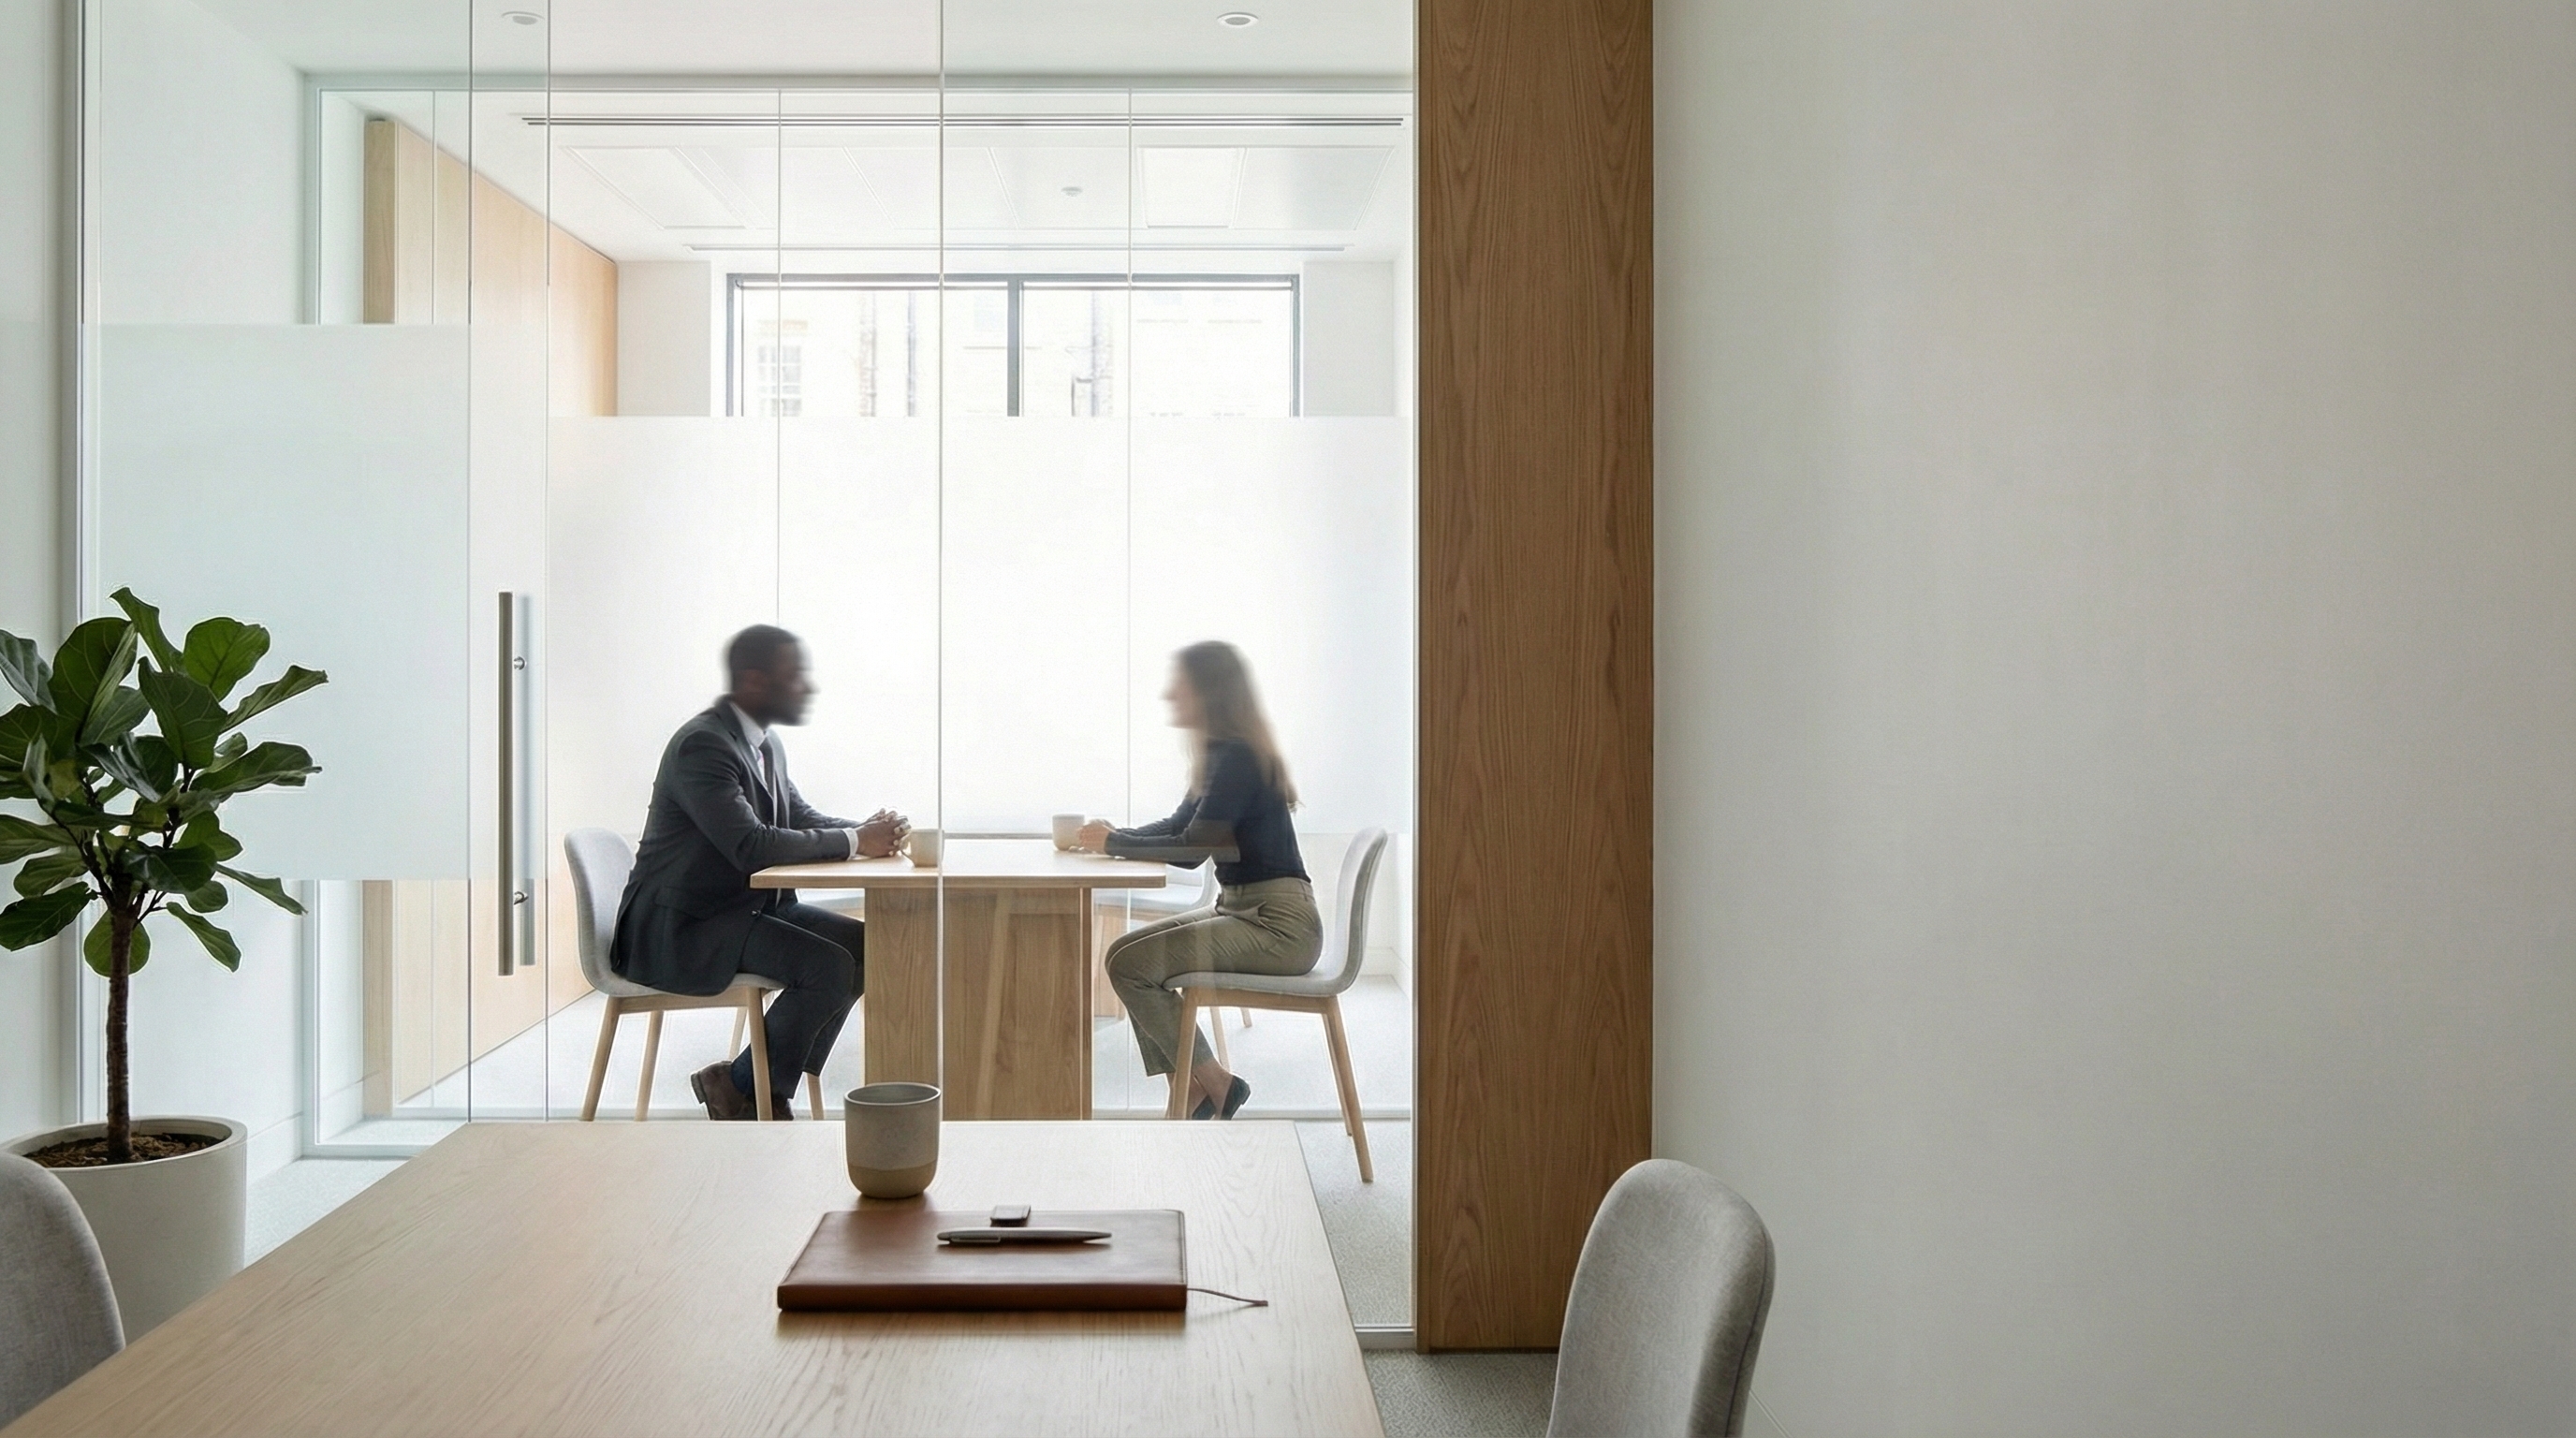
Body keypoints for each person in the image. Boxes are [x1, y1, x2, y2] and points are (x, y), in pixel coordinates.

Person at [612, 624, 906, 1120]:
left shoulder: (765, 745)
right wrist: (857, 842)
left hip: (739, 911)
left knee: (866, 950)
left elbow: (798, 818)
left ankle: (747, 1085)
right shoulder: (702, 747)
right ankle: (760, 1097)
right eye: (795, 676)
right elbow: (750, 845)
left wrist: (867, 830)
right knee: (826, 968)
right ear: (754, 682)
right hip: (683, 925)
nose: (807, 687)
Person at [1079, 641, 1319, 1120]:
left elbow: (1191, 852)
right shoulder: (1222, 755)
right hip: (1244, 911)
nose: (1169, 695)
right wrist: (1112, 836)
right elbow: (1177, 827)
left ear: (1209, 692)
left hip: (1278, 925)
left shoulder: (1239, 757)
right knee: (1120, 957)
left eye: (1180, 685)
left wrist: (1111, 844)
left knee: (1131, 967)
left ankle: (1216, 1085)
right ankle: (1190, 1091)